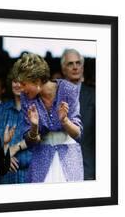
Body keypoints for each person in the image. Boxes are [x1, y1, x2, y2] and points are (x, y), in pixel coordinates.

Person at [12, 53, 84, 183]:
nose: (21, 89)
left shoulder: (69, 90)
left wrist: (65, 121)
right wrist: (34, 127)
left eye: (23, 83)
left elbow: (78, 134)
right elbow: (30, 142)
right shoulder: (26, 98)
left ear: (37, 80)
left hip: (69, 156)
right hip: (41, 159)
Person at [61, 49, 96, 180]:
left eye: (78, 63)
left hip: (88, 167)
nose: (75, 67)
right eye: (70, 64)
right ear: (63, 69)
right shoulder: (53, 96)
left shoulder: (95, 95)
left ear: (82, 67)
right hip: (60, 167)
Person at [0, 70, 31, 184]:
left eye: (22, 81)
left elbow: (41, 138)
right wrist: (4, 157)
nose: (18, 85)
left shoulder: (36, 109)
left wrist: (15, 148)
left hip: (30, 175)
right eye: (15, 81)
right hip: (4, 177)